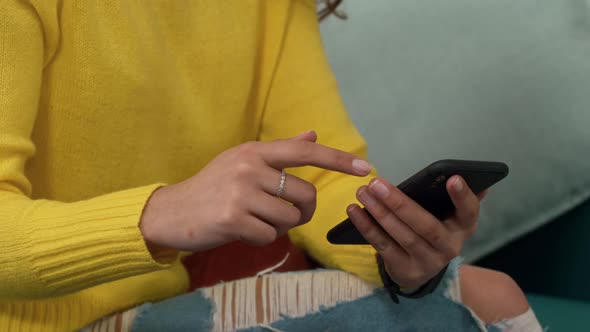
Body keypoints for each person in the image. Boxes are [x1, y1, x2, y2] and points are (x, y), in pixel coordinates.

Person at [0, 0, 542, 331]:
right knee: (487, 305)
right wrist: (153, 215)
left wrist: (393, 244)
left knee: (485, 293)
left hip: (166, 306)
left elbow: (322, 171)